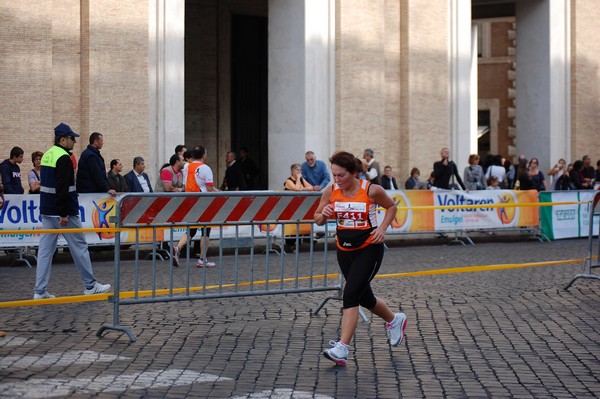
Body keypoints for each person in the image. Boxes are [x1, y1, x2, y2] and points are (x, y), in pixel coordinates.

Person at [314, 151, 407, 366]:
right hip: (344, 249)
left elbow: (392, 207)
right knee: (365, 298)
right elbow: (318, 219)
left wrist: (382, 229)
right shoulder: (330, 191)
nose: (337, 180)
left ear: (354, 173)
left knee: (351, 293)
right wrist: (324, 214)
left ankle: (342, 348)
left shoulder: (372, 190)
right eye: (334, 175)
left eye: (341, 175)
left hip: (369, 249)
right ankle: (395, 320)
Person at [34, 123, 111, 299]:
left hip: (47, 210)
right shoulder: (63, 158)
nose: (75, 141)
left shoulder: (47, 155)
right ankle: (90, 286)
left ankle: (39, 291)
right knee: (80, 247)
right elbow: (63, 187)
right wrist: (63, 213)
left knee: (46, 251)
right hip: (63, 212)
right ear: (62, 139)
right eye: (72, 138)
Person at [76, 132, 116, 197]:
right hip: (90, 193)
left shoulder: (91, 154)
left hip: (88, 191)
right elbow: (97, 175)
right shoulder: (91, 156)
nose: (102, 143)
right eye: (101, 141)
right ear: (95, 142)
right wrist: (107, 189)